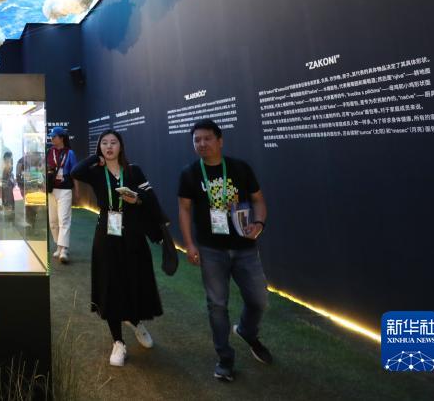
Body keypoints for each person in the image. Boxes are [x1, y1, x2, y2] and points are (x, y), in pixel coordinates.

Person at [178, 119, 272, 382]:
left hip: (245, 248)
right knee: (217, 306)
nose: (202, 144)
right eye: (197, 140)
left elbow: (258, 200)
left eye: (207, 138)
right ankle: (225, 359)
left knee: (259, 300)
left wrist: (259, 224)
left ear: (220, 141)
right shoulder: (190, 173)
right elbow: (184, 209)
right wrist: (190, 244)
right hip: (211, 250)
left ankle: (246, 331)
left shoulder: (240, 168)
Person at [70, 129, 165, 367]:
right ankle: (118, 342)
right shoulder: (96, 171)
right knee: (110, 283)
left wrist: (137, 198)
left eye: (113, 142)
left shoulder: (134, 170)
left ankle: (135, 321)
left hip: (133, 234)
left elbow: (151, 198)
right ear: (100, 147)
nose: (109, 147)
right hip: (106, 234)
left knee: (135, 280)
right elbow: (75, 171)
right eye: (104, 143)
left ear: (121, 146)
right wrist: (95, 158)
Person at [46, 126, 77, 263]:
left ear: (62, 138)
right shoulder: (49, 151)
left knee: (64, 220)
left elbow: (75, 173)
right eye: (51, 136)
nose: (52, 139)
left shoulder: (70, 153)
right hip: (51, 190)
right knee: (53, 221)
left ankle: (64, 249)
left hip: (65, 190)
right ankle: (58, 246)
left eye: (54, 136)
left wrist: (77, 190)